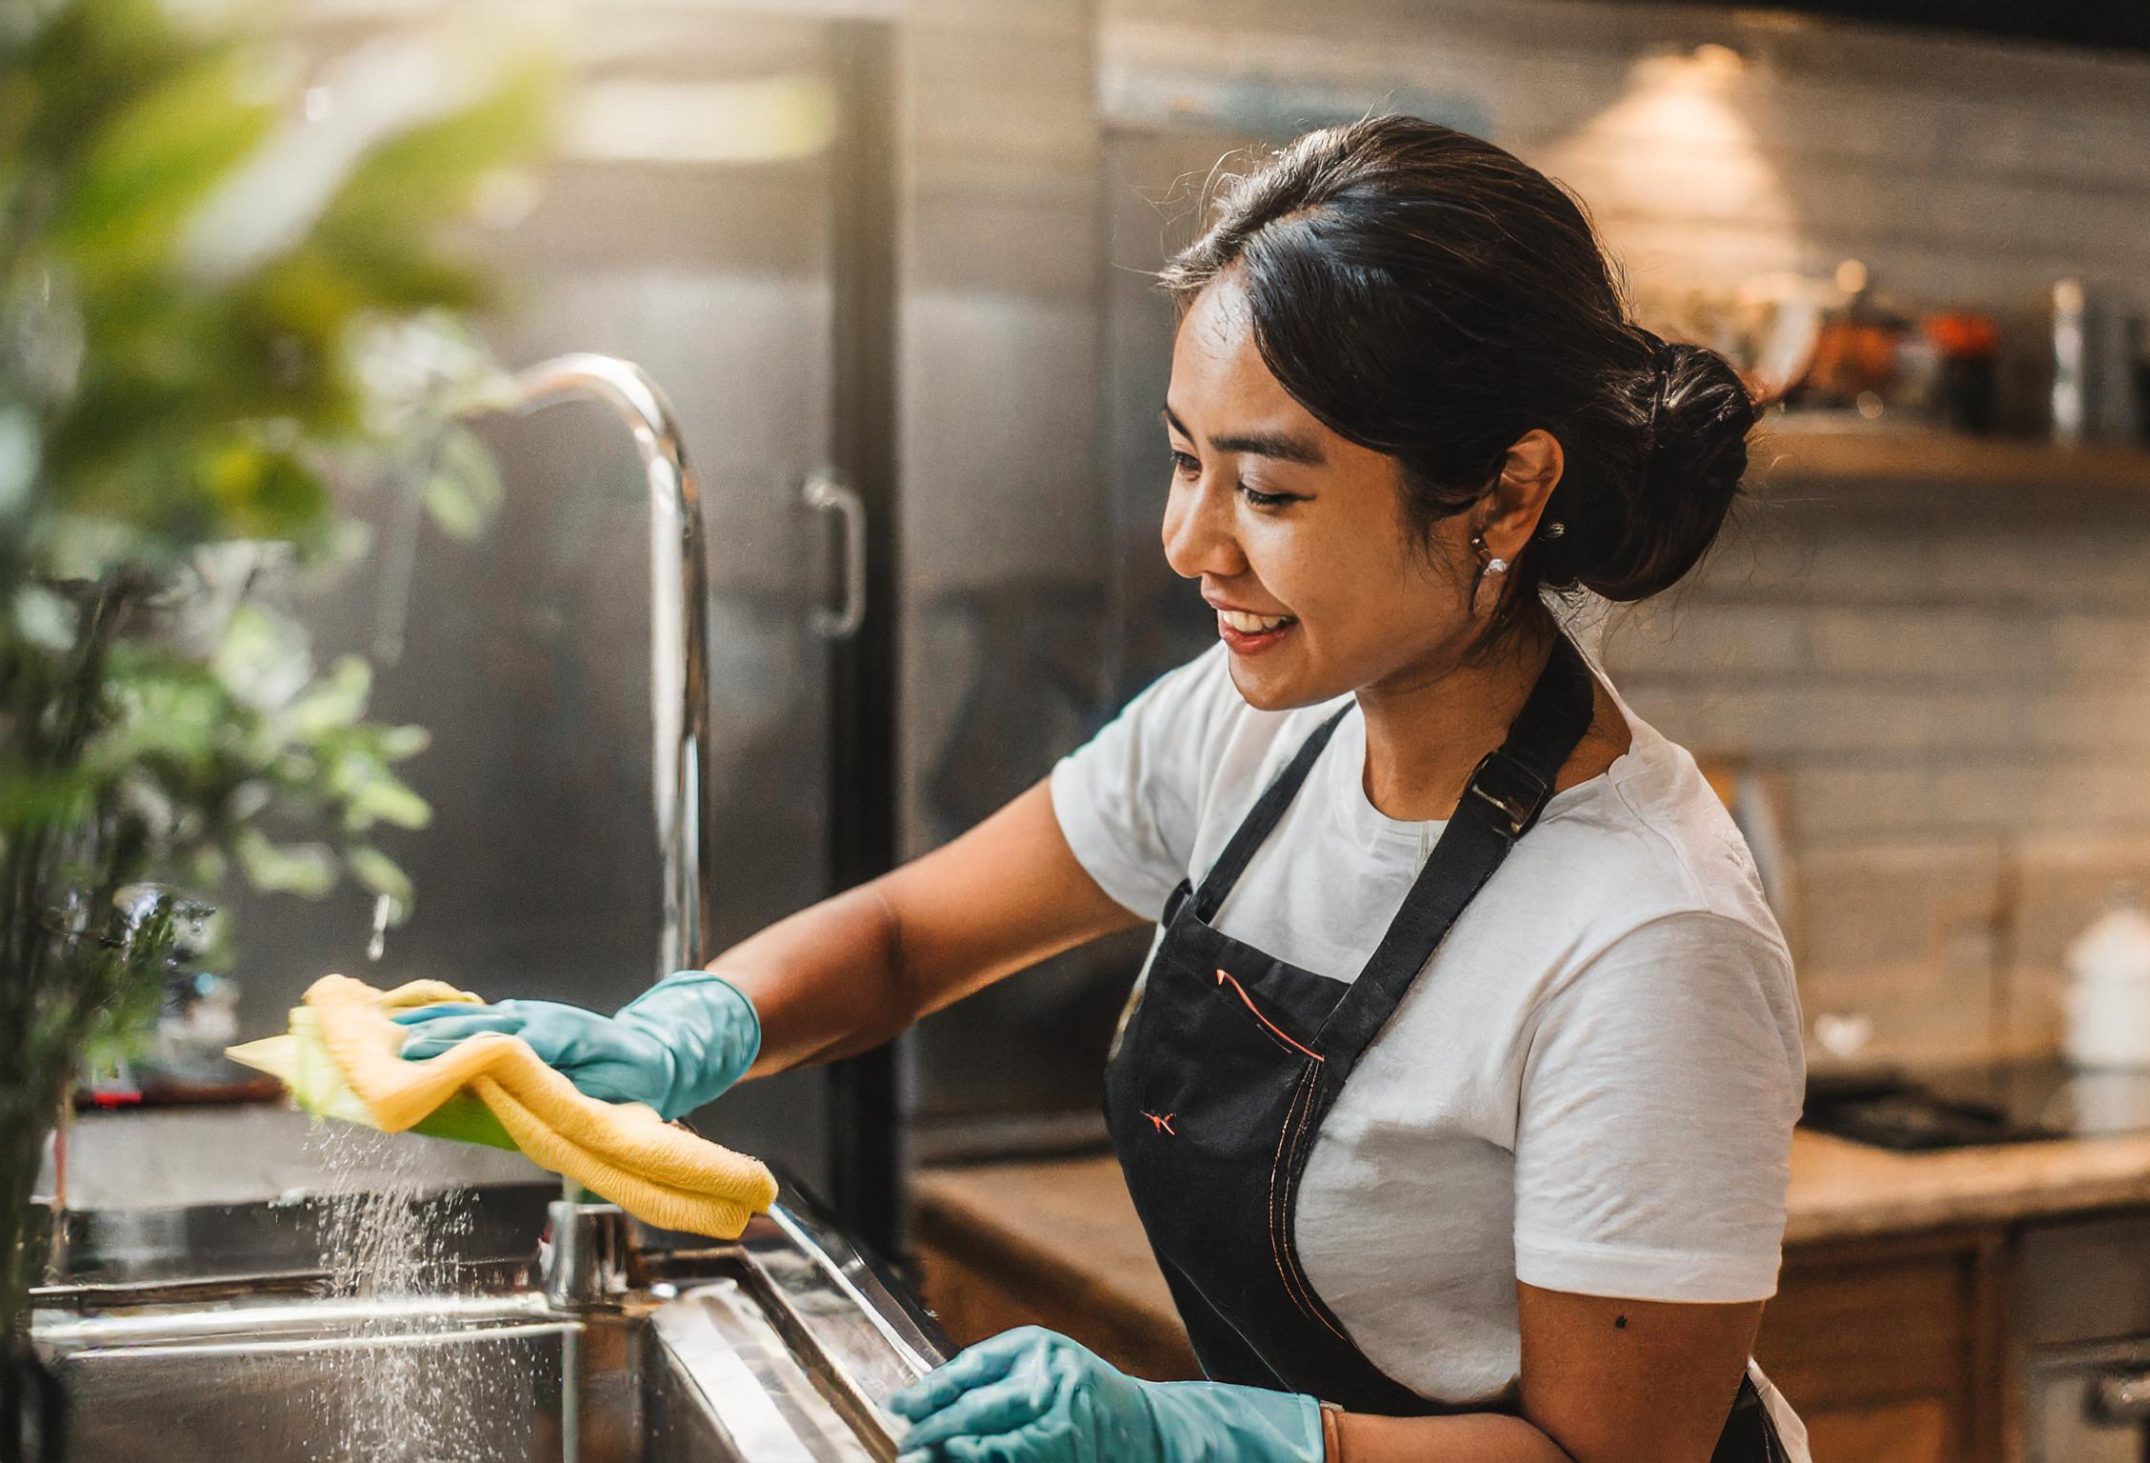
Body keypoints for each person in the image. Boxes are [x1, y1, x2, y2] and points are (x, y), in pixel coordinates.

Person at [397, 114, 1810, 1463]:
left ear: (1504, 496)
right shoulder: (1250, 729)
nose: (1190, 543)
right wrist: (685, 1031)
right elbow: (910, 940)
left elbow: (1612, 1458)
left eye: (1268, 492)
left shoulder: (1647, 934)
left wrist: (1208, 1440)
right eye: (1184, 460)